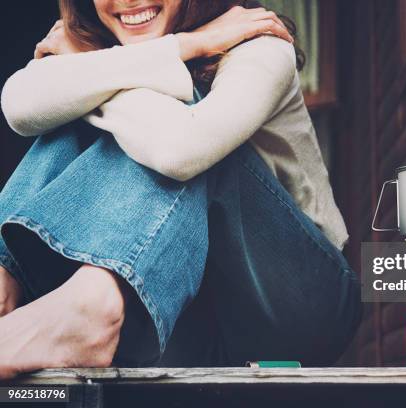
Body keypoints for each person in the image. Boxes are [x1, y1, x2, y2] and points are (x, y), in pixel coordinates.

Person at [0, 0, 361, 379]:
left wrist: (89, 69)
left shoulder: (259, 42)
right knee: (75, 114)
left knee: (174, 125)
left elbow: (180, 150)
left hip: (299, 306)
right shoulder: (103, 48)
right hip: (183, 320)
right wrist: (186, 45)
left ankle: (92, 307)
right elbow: (20, 106)